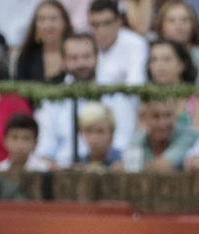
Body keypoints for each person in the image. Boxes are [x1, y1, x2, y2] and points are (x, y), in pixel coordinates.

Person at [34, 31, 136, 167]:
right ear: (63, 62)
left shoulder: (116, 92)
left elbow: (124, 140)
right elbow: (45, 149)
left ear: (97, 58)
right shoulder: (53, 98)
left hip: (108, 170)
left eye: (86, 57)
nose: (81, 63)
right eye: (74, 58)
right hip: (64, 173)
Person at [124, 97, 198, 171]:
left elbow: (163, 166)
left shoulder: (188, 135)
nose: (162, 123)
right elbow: (127, 167)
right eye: (156, 116)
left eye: (168, 115)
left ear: (176, 116)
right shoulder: (137, 140)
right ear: (143, 118)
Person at [89, 0, 148, 85]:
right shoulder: (88, 43)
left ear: (119, 21)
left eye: (107, 23)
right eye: (95, 25)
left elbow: (136, 83)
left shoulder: (135, 43)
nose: (101, 30)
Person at [15, 0, 74, 83]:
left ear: (65, 22)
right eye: (42, 19)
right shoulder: (27, 55)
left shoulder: (75, 53)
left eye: (53, 19)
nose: (47, 25)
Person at [153, 0, 199, 82]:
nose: (178, 26)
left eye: (184, 20)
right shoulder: (152, 52)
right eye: (171, 20)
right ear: (162, 27)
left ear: (193, 25)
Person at [73, 99, 123, 168]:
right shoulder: (79, 164)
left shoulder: (125, 163)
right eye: (89, 131)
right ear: (81, 133)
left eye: (100, 132)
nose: (94, 138)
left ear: (111, 133)